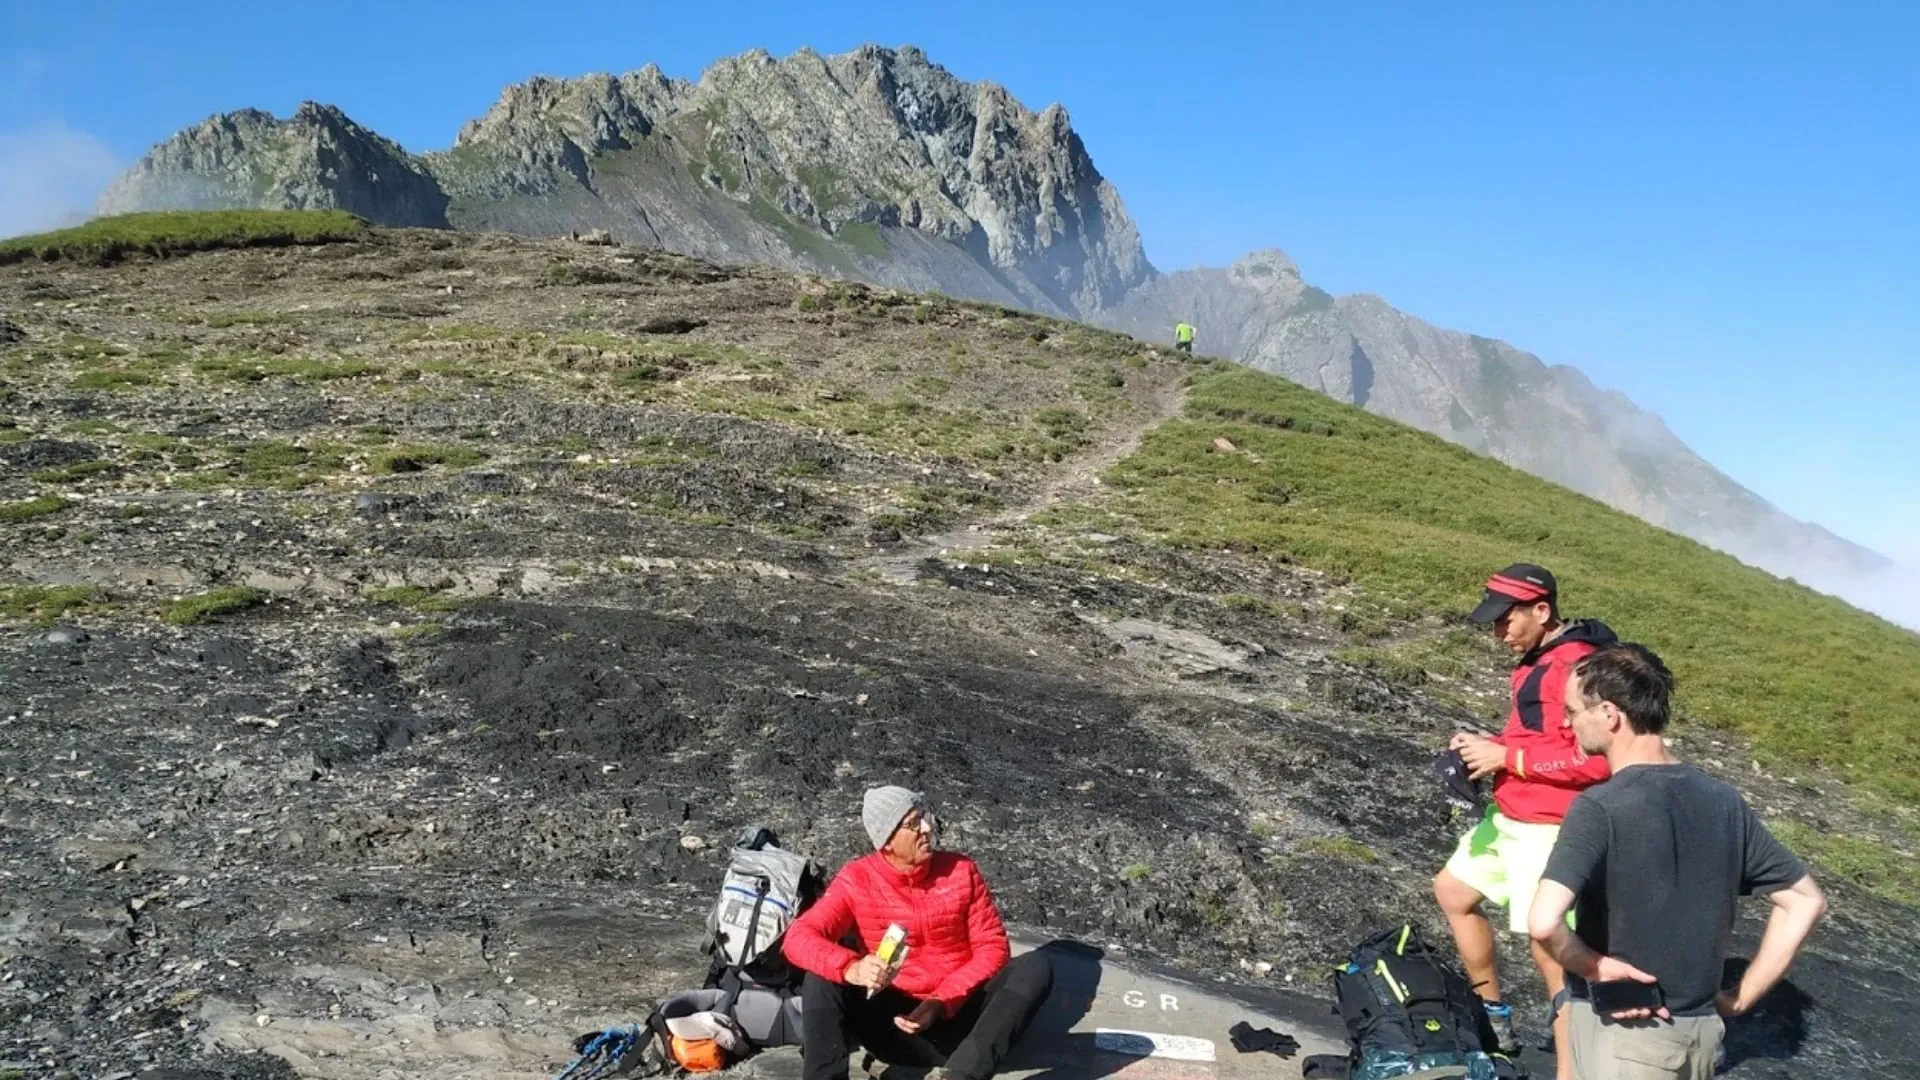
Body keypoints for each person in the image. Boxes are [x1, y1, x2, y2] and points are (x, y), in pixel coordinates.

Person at [1529, 643, 1827, 1080]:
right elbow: (1806, 901)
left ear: (1610, 715)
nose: (1564, 722)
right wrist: (1740, 998)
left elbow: (1542, 922)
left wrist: (1595, 967)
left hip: (1623, 1036)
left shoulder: (1601, 806)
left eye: (1572, 711)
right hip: (1701, 1038)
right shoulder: (1725, 802)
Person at [1433, 563, 1616, 1075]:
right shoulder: (1539, 658)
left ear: (1542, 610)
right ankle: (1494, 1020)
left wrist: (1507, 759)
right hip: (1510, 815)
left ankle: (1571, 1071)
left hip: (1552, 826)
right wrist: (1487, 747)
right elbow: (1542, 738)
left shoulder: (1580, 667)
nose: (1498, 632)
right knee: (1453, 891)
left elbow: (1598, 759)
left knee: (1553, 955)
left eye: (1505, 620)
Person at [784, 786, 1054, 1080]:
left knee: (1035, 966)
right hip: (890, 1025)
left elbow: (993, 946)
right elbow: (797, 938)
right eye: (913, 823)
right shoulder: (857, 879)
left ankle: (961, 1076)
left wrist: (942, 1001)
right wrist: (852, 968)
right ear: (886, 841)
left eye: (924, 816)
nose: (927, 828)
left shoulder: (961, 871)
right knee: (821, 975)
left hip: (959, 1023)